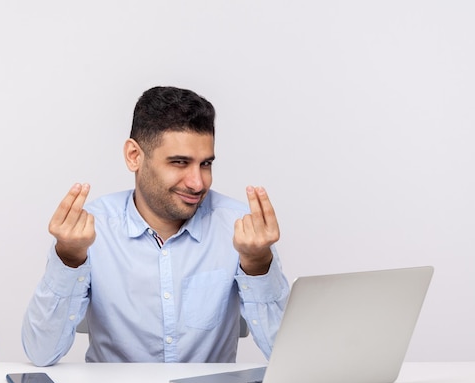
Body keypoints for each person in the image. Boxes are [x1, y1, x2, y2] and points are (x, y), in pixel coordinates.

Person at [22, 86, 290, 366]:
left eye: (206, 164)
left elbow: (289, 358)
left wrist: (258, 264)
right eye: (179, 163)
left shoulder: (241, 230)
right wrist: (68, 257)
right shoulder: (89, 230)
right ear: (134, 156)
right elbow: (41, 353)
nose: (198, 183)